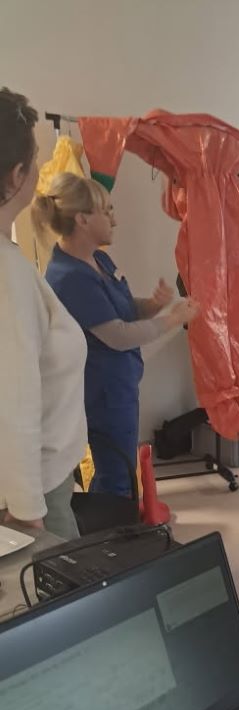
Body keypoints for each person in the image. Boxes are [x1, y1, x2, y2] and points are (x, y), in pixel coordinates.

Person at [32, 172, 198, 496]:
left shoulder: (99, 259)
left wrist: (154, 305)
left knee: (118, 467)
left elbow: (121, 309)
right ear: (82, 219)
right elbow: (118, 335)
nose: (115, 219)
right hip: (102, 392)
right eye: (106, 211)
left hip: (118, 386)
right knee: (116, 474)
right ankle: (116, 525)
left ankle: (117, 517)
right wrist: (173, 319)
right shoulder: (69, 277)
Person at [0, 89, 86, 540]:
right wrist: (26, 509)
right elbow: (13, 399)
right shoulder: (7, 275)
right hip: (33, 496)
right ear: (18, 175)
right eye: (35, 160)